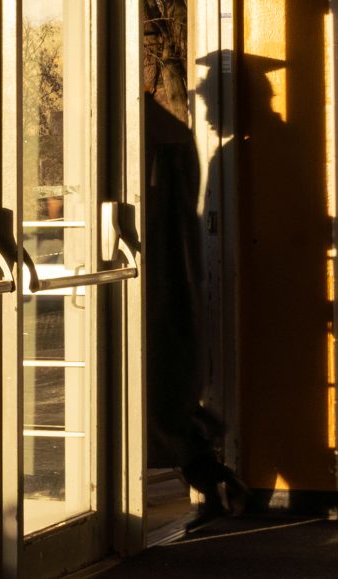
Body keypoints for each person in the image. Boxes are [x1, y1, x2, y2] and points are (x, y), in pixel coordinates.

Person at [144, 87, 248, 531]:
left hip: (162, 289)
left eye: (205, 100)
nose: (204, 110)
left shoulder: (155, 142)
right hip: (174, 287)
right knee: (166, 397)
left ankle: (214, 480)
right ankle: (214, 478)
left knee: (161, 401)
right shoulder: (175, 139)